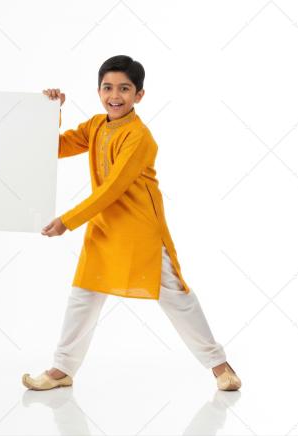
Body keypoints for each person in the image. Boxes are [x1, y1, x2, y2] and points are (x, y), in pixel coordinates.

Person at [22, 55, 241, 392]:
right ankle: (61, 370)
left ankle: (221, 367)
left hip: (140, 231)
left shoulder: (140, 136)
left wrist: (67, 221)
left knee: (175, 297)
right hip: (103, 228)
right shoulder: (95, 126)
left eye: (124, 89)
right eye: (108, 87)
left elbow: (112, 189)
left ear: (139, 95)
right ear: (98, 91)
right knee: (83, 297)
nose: (115, 95)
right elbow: (55, 148)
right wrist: (52, 112)